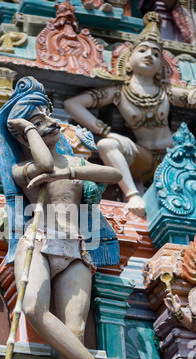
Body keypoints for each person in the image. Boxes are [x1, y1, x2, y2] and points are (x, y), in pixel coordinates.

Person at [0, 76, 124, 359]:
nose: (49, 124)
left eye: (48, 118)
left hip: (75, 246)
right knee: (34, 307)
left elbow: (111, 173)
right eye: (37, 123)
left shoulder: (73, 165)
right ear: (22, 137)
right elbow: (45, 166)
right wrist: (26, 129)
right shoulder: (23, 168)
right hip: (38, 240)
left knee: (75, 329)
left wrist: (75, 167)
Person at [64, 12, 196, 216]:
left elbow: (190, 96)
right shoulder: (119, 92)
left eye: (155, 53)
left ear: (161, 64)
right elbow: (72, 104)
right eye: (142, 50)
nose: (149, 55)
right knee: (106, 145)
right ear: (128, 59)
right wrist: (108, 133)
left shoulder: (166, 92)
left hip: (175, 158)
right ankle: (133, 196)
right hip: (146, 159)